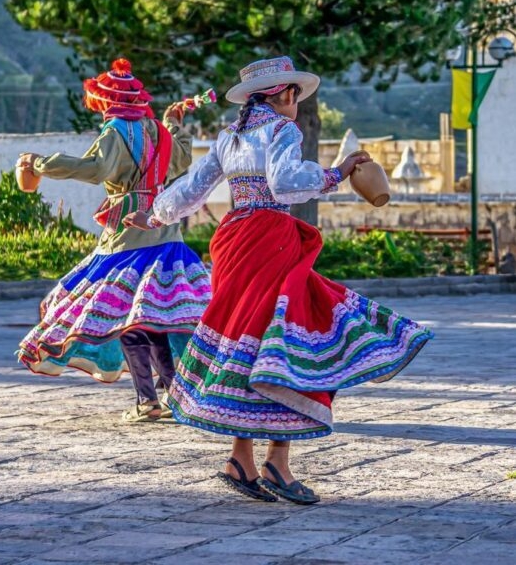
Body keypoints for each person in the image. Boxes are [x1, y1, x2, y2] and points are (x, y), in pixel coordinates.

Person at [124, 56, 433, 501]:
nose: (296, 102)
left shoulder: (229, 137)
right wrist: (337, 172)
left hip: (233, 241)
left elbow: (191, 189)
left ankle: (242, 458)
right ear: (285, 95)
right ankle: (276, 463)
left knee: (247, 345)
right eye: (295, 95)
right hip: (270, 240)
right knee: (287, 344)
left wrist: (153, 215)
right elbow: (286, 183)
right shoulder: (283, 130)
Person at [16, 58, 212, 422]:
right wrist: (174, 124)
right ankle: (174, 395)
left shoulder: (116, 131)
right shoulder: (158, 130)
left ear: (106, 102)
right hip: (165, 230)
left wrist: (42, 164)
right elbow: (181, 159)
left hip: (126, 237)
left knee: (128, 320)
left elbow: (95, 170)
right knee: (155, 319)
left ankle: (147, 400)